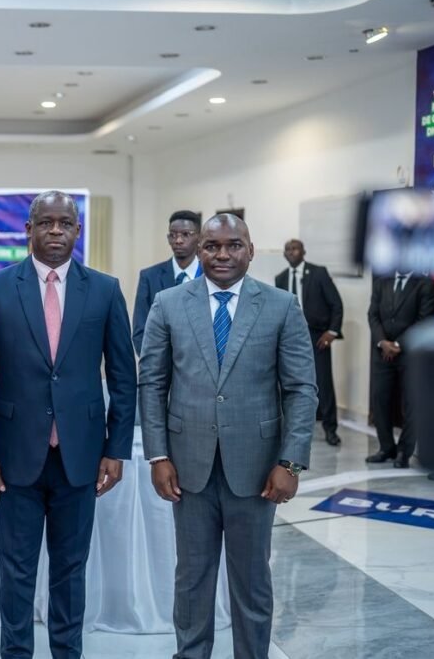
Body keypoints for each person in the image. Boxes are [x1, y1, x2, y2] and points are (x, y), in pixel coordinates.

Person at [0, 190, 136, 659]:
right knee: (16, 571)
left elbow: (124, 378)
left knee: (70, 570)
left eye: (64, 223)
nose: (55, 231)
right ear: (29, 229)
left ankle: (67, 652)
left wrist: (116, 450)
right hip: (13, 457)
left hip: (81, 457)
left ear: (78, 230)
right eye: (46, 222)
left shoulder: (104, 290)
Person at [139, 213, 317, 659]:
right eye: (212, 246)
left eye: (233, 245)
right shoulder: (168, 303)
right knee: (192, 578)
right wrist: (157, 455)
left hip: (257, 470)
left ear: (250, 250)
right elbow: (152, 384)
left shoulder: (280, 306)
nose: (222, 254)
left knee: (252, 580)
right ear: (199, 251)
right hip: (187, 469)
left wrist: (290, 462)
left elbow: (301, 389)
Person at [274, 239, 346, 446]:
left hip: (317, 337)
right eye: (287, 249)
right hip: (289, 338)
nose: (291, 252)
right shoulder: (280, 278)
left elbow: (336, 304)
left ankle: (330, 429)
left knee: (323, 383)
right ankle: (290, 428)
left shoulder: (318, 273)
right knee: (288, 382)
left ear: (303, 251)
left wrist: (332, 331)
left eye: (295, 248)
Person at [366, 271, 434, 468]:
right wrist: (383, 342)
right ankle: (386, 448)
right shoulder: (381, 282)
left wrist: (398, 344)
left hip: (411, 354)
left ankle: (403, 452)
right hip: (382, 352)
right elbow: (373, 315)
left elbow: (424, 320)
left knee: (411, 403)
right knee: (380, 399)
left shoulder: (425, 284)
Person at [132, 210, 202, 354]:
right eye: (173, 235)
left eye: (185, 234)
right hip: (160, 364)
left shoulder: (210, 276)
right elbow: (140, 331)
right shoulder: (150, 277)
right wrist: (155, 363)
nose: (178, 240)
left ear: (199, 238)